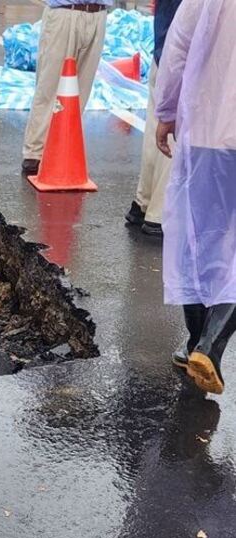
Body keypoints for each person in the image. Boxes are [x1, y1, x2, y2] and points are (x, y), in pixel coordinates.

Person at [155, 0, 236, 395]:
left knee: (199, 240)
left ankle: (197, 345)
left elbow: (178, 46)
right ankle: (210, 346)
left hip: (207, 130)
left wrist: (166, 111)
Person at [21, 1, 110, 175]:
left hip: (99, 13)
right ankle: (35, 153)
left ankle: (64, 150)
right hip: (64, 11)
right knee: (49, 86)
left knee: (81, 91)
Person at [125, 0, 183, 238]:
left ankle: (144, 203)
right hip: (180, 56)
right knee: (173, 135)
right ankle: (158, 215)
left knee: (156, 129)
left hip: (165, 51)